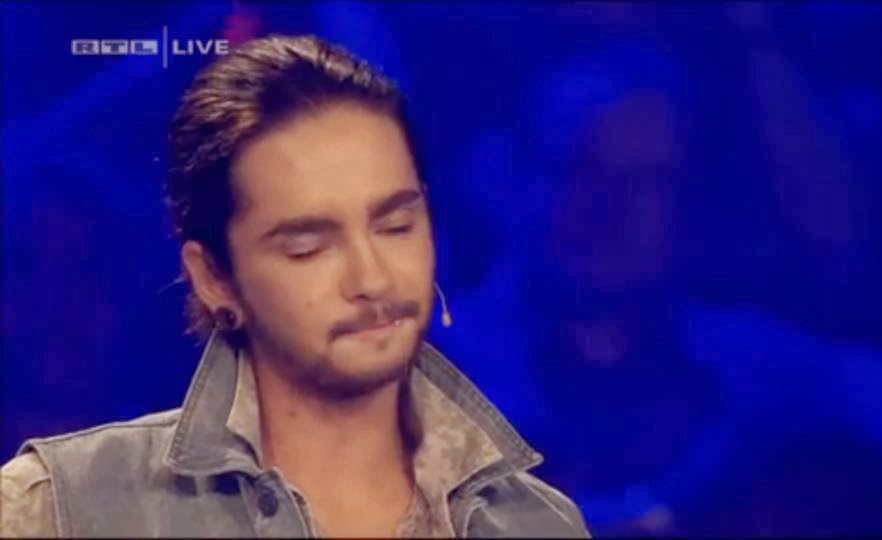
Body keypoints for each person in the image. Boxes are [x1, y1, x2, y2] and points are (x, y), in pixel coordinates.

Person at [0, 34, 588, 538]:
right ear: (215, 278)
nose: (372, 278)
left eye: (396, 226)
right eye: (308, 247)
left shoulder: (535, 523)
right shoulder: (64, 507)